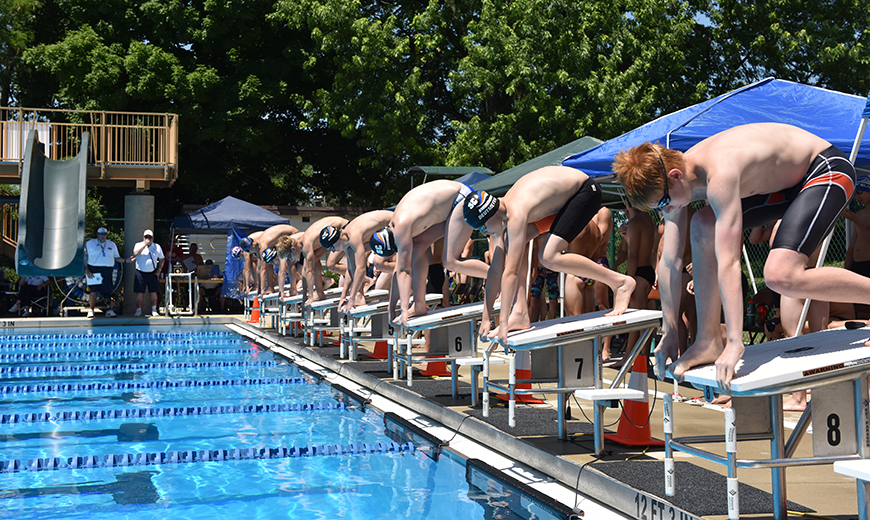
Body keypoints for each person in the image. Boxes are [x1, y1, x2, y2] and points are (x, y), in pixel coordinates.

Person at [614, 122, 864, 392]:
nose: (667, 210)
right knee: (702, 224)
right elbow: (670, 262)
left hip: (825, 169)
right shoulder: (676, 183)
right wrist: (670, 330)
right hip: (786, 185)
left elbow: (730, 261)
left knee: (780, 275)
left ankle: (723, 340)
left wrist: (735, 342)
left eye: (663, 203)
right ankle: (708, 341)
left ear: (675, 176)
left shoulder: (720, 171)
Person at [463, 165, 636, 345]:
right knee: (511, 243)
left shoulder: (516, 212)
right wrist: (486, 317)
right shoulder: (501, 211)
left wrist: (503, 323)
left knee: (548, 256)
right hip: (561, 203)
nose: (484, 233)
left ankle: (620, 282)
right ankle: (520, 312)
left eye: (482, 228)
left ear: (489, 217)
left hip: (585, 191)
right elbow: (495, 270)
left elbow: (510, 273)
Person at [371, 179, 489, 326]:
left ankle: (500, 277)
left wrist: (403, 311)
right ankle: (419, 304)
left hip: (461, 199)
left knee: (451, 261)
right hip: (448, 208)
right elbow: (398, 271)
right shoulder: (396, 224)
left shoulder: (401, 225)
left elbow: (404, 271)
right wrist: (391, 306)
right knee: (418, 246)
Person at [320, 209, 393, 311]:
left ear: (337, 240)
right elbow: (350, 270)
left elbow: (361, 269)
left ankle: (410, 276)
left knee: (379, 262)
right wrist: (343, 296)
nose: (333, 251)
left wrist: (352, 298)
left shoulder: (353, 236)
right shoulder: (346, 242)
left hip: (393, 222)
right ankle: (358, 294)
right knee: (353, 259)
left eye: (332, 248)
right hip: (384, 228)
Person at [242, 225, 298, 298]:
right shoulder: (258, 244)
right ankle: (271, 287)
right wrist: (259, 289)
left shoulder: (262, 245)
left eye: (249, 251)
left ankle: (293, 289)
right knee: (270, 261)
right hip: (281, 237)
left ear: (252, 246)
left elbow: (262, 269)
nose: (249, 253)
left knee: (286, 262)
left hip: (293, 234)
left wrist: (261, 291)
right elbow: (259, 268)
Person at [83, 226, 122, 318]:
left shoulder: (111, 244)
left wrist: (126, 260)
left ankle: (109, 310)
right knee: (94, 290)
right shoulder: (90, 243)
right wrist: (87, 271)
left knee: (108, 291)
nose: (103, 236)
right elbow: (84, 258)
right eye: (101, 234)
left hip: (107, 269)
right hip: (94, 269)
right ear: (97, 235)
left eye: (105, 234)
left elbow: (117, 257)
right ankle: (91, 310)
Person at [127, 229, 165, 316]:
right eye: (146, 237)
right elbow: (136, 253)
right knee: (139, 292)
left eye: (150, 237)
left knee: (153, 292)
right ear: (143, 238)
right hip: (140, 272)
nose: (148, 239)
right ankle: (138, 310)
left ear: (153, 238)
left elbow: (162, 259)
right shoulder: (138, 245)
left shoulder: (157, 247)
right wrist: (144, 245)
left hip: (152, 272)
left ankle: (154, 310)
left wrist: (159, 270)